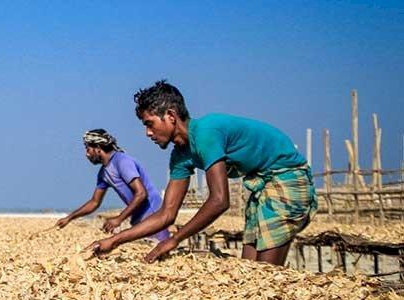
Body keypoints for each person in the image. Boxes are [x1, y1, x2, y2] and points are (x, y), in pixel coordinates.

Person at [88, 80, 316, 266]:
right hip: (262, 185)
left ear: (170, 116)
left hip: (286, 179)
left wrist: (175, 239)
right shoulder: (180, 155)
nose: (148, 133)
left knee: (265, 272)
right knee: (249, 270)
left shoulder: (206, 133)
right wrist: (115, 240)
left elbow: (219, 201)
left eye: (150, 124)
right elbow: (166, 214)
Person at [56, 129, 169, 241]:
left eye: (88, 149)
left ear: (98, 148)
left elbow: (141, 193)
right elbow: (94, 202)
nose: (87, 154)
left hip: (153, 214)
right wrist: (69, 218)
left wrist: (119, 219)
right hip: (139, 217)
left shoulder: (122, 161)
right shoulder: (103, 173)